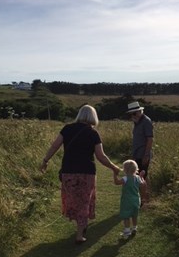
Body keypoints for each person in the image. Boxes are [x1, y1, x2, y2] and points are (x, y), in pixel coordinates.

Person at [40, 104, 120, 244]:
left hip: (68, 171)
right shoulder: (93, 133)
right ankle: (79, 235)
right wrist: (113, 167)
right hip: (86, 172)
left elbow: (54, 145)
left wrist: (45, 160)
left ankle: (80, 226)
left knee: (73, 200)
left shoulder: (67, 129)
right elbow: (100, 156)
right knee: (84, 201)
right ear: (93, 117)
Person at [113, 159, 146, 239]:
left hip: (127, 201)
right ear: (136, 169)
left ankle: (127, 233)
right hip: (136, 200)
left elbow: (116, 182)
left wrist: (114, 175)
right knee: (134, 215)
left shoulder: (125, 178)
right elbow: (142, 185)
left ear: (125, 169)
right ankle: (134, 228)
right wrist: (141, 177)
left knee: (126, 216)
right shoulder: (137, 178)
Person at [126, 101, 153, 179]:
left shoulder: (146, 121)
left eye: (134, 113)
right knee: (137, 176)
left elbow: (150, 139)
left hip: (143, 154)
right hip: (137, 154)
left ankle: (144, 191)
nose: (132, 116)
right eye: (130, 114)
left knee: (142, 177)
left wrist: (146, 155)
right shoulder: (137, 122)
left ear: (139, 112)